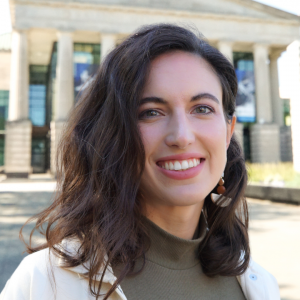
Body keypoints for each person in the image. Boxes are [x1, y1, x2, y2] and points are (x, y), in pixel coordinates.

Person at [0, 24, 279, 300]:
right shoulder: (43, 284)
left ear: (229, 130)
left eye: (203, 109)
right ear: (114, 133)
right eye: (151, 112)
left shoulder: (261, 286)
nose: (181, 136)